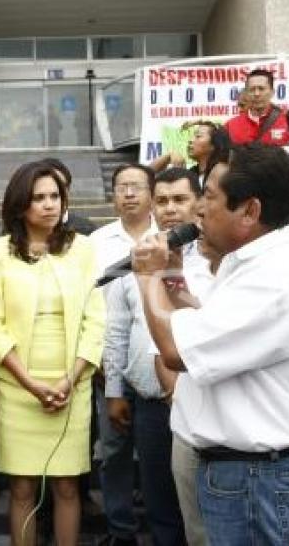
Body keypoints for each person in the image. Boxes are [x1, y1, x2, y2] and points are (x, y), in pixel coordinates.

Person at [134, 144, 289, 544]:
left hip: (258, 479)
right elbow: (198, 324)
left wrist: (148, 277)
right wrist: (173, 272)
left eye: (209, 196)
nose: (198, 211)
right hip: (242, 475)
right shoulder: (255, 264)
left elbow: (176, 349)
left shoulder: (277, 275)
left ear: (250, 211)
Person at [0, 161, 105, 546]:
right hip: (17, 386)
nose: (49, 205)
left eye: (55, 196)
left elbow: (95, 319)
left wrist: (70, 379)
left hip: (72, 384)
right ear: (21, 205)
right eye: (39, 198)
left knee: (68, 487)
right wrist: (31, 383)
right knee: (21, 489)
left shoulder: (83, 249)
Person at [103, 168, 204, 546]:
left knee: (200, 510)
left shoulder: (214, 253)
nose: (170, 209)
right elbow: (117, 327)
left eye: (180, 200)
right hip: (151, 403)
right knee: (162, 510)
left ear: (199, 202)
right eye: (162, 201)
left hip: (202, 400)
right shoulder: (138, 256)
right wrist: (114, 389)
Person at [89, 163, 157, 546]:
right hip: (108, 364)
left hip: (156, 366)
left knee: (155, 454)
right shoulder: (96, 242)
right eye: (121, 187)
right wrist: (98, 360)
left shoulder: (167, 236)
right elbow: (90, 303)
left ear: (150, 193)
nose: (128, 194)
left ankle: (160, 522)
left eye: (136, 187)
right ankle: (121, 529)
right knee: (113, 452)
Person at [149, 122, 231, 188]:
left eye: (198, 136)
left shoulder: (224, 175)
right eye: (192, 136)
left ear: (214, 145)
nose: (190, 140)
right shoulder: (192, 174)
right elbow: (146, 175)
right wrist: (168, 156)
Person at [224, 68, 289, 146]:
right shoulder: (231, 126)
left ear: (272, 92)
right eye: (252, 89)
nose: (256, 94)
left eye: (261, 89)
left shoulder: (287, 122)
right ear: (246, 93)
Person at [45, 158, 97, 235]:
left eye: (60, 186)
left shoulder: (87, 230)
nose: (54, 192)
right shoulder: (22, 232)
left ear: (68, 190)